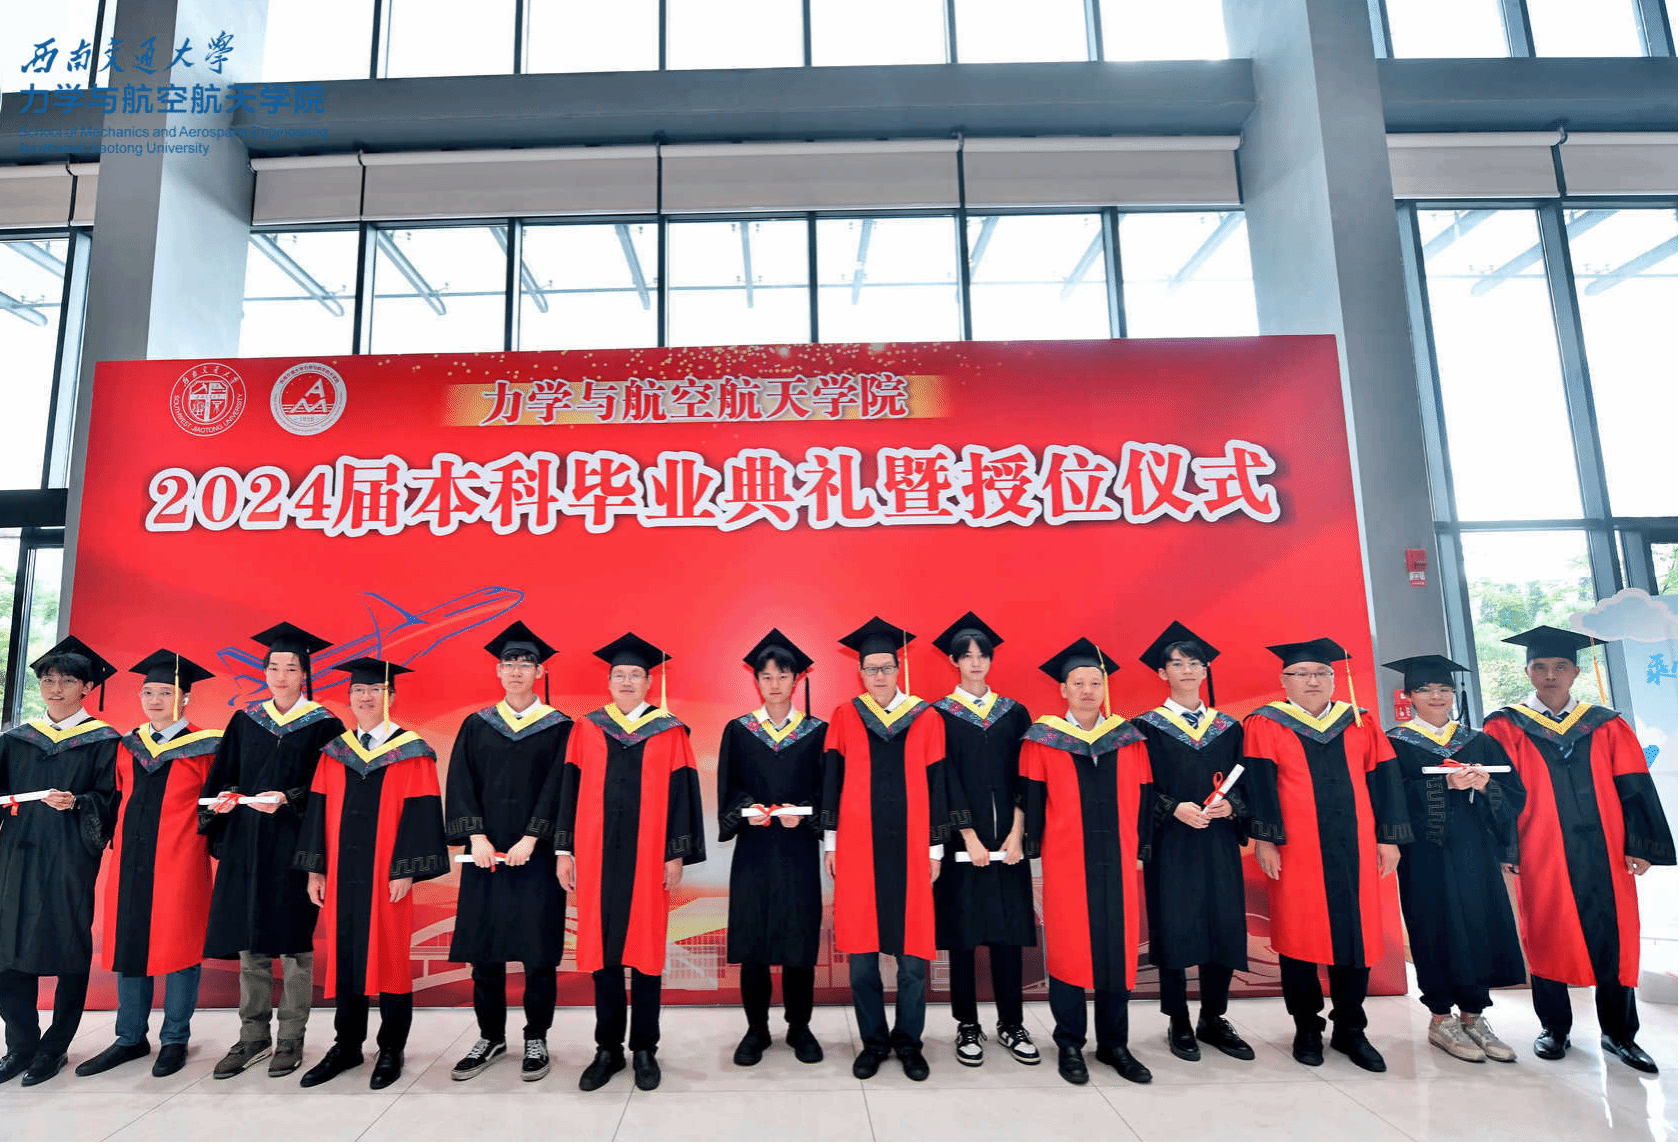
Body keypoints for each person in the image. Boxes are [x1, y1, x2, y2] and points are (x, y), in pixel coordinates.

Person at [1482, 626, 1675, 1072]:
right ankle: (1555, 1029)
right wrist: (1507, 847)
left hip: (1606, 848)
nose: (1550, 675)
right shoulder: (1505, 725)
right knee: (1547, 931)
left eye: (1560, 667)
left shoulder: (1605, 723)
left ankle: (1620, 1034)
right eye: (1540, 666)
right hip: (1540, 846)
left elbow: (1633, 784)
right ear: (1528, 672)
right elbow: (1497, 791)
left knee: (1615, 936)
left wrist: (1639, 843)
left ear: (1575, 672)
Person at [1244, 637, 1411, 1074]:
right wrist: (1265, 839)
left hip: (1356, 845)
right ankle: (1306, 1027)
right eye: (1302, 674)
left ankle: (1351, 1028)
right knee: (1298, 933)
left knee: (1355, 935)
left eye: (1322, 673)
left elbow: (1385, 779)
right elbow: (1259, 784)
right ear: (1284, 680)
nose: (1313, 680)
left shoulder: (1359, 720)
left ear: (1335, 679)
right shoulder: (1265, 723)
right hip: (1295, 848)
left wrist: (1389, 837)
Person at [558, 633, 706, 1093]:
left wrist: (675, 852)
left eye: (635, 675)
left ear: (648, 682)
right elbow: (567, 791)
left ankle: (644, 1048)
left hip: (648, 858)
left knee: (645, 954)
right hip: (595, 856)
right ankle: (607, 1049)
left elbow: (682, 797)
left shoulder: (669, 730)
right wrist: (564, 851)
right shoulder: (587, 728)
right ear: (608, 681)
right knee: (603, 954)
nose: (626, 681)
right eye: (619, 675)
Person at [295, 657, 449, 1090]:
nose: (366, 697)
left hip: (388, 874)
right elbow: (318, 810)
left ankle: (392, 1048)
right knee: (346, 956)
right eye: (359, 690)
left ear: (391, 697)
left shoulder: (412, 751)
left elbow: (422, 813)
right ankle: (346, 1046)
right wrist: (315, 869)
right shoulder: (335, 753)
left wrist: (407, 869)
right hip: (342, 873)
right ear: (349, 697)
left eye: (375, 690)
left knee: (392, 957)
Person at [201, 622, 345, 1080]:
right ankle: (252, 1036)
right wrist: (226, 799)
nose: (281, 676)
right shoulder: (246, 721)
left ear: (305, 674)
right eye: (274, 667)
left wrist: (289, 797)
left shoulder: (325, 725)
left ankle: (291, 1038)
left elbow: (330, 788)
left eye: (291, 668)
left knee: (294, 945)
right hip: (247, 843)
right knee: (251, 941)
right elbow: (224, 775)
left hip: (295, 846)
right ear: (263, 672)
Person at [77, 651, 220, 1080]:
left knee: (180, 946)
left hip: (182, 861)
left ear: (185, 699)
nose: (155, 700)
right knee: (130, 945)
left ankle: (175, 1039)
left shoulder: (207, 746)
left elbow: (217, 805)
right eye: (149, 692)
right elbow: (111, 799)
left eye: (166, 693)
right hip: (129, 861)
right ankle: (129, 1038)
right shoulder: (127, 745)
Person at [1019, 638, 1154, 1087]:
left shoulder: (1128, 739)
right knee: (1069, 948)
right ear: (1063, 689)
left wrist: (1140, 850)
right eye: (1078, 683)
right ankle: (1070, 1043)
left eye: (1095, 683)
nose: (1087, 690)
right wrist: (1033, 848)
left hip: (1117, 859)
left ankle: (1115, 1044)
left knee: (1118, 948)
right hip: (1066, 861)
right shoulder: (1043, 740)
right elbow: (1032, 800)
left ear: (1105, 688)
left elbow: (1144, 797)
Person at [821, 617, 949, 1083]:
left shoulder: (926, 717)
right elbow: (832, 781)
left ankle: (909, 1042)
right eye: (871, 668)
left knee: (913, 959)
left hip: (913, 849)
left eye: (886, 667)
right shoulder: (844, 715)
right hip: (857, 849)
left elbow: (938, 785)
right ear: (860, 672)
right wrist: (831, 843)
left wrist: (936, 848)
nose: (879, 675)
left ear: (899, 669)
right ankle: (873, 1042)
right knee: (861, 958)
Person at [1382, 654, 1525, 1065]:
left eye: (1444, 689)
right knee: (1434, 925)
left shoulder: (1479, 741)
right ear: (1409, 696)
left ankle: (1474, 1017)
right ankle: (1441, 1018)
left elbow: (1513, 795)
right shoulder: (1395, 743)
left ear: (1454, 693)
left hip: (1475, 849)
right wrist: (1443, 784)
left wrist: (1484, 786)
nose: (1437, 696)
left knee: (1480, 922)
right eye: (1426, 690)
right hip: (1425, 853)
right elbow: (1388, 798)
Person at [445, 622, 571, 1084]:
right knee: (486, 952)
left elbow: (560, 789)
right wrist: (476, 837)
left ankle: (536, 1037)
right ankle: (490, 1037)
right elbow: (461, 783)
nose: (516, 670)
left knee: (538, 954)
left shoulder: (560, 728)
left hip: (536, 858)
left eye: (525, 663)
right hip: (486, 858)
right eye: (509, 663)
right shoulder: (477, 725)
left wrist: (532, 838)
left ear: (539, 672)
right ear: (498, 671)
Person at [0, 637, 120, 1087]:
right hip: (16, 855)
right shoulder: (17, 740)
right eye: (48, 680)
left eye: (66, 681)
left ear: (87, 687)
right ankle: (20, 1044)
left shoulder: (103, 741)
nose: (55, 688)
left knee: (68, 945)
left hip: (69, 858)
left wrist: (80, 803)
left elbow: (111, 800)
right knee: (8, 947)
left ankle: (55, 1047)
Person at [1132, 622, 1253, 1063]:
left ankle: (1213, 1017)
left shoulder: (1229, 728)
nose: (1186, 670)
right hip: (1172, 845)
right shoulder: (1144, 728)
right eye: (1177, 664)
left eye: (1194, 663)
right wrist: (1171, 808)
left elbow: (1248, 783)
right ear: (1162, 673)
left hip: (1218, 841)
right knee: (1174, 926)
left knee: (1222, 925)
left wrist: (1232, 807)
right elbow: (1137, 787)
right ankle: (1178, 1019)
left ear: (1205, 670)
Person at [928, 612, 1038, 1068]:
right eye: (967, 656)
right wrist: (968, 836)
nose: (975, 662)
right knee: (963, 936)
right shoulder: (938, 715)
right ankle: (967, 1024)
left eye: (983, 655)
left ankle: (1012, 1023)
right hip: (963, 845)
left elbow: (1027, 775)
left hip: (1009, 844)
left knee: (1008, 936)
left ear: (991, 660)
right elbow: (943, 779)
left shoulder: (1014, 713)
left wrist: (1017, 833)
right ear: (954, 661)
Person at [717, 629, 827, 1068]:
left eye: (783, 675)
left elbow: (827, 790)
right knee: (754, 940)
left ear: (797, 680)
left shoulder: (816, 732)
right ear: (756, 681)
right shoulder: (739, 731)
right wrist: (748, 809)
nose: (775, 683)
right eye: (766, 676)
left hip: (797, 849)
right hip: (755, 850)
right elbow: (728, 787)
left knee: (799, 939)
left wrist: (806, 814)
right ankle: (756, 1029)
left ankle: (799, 1027)